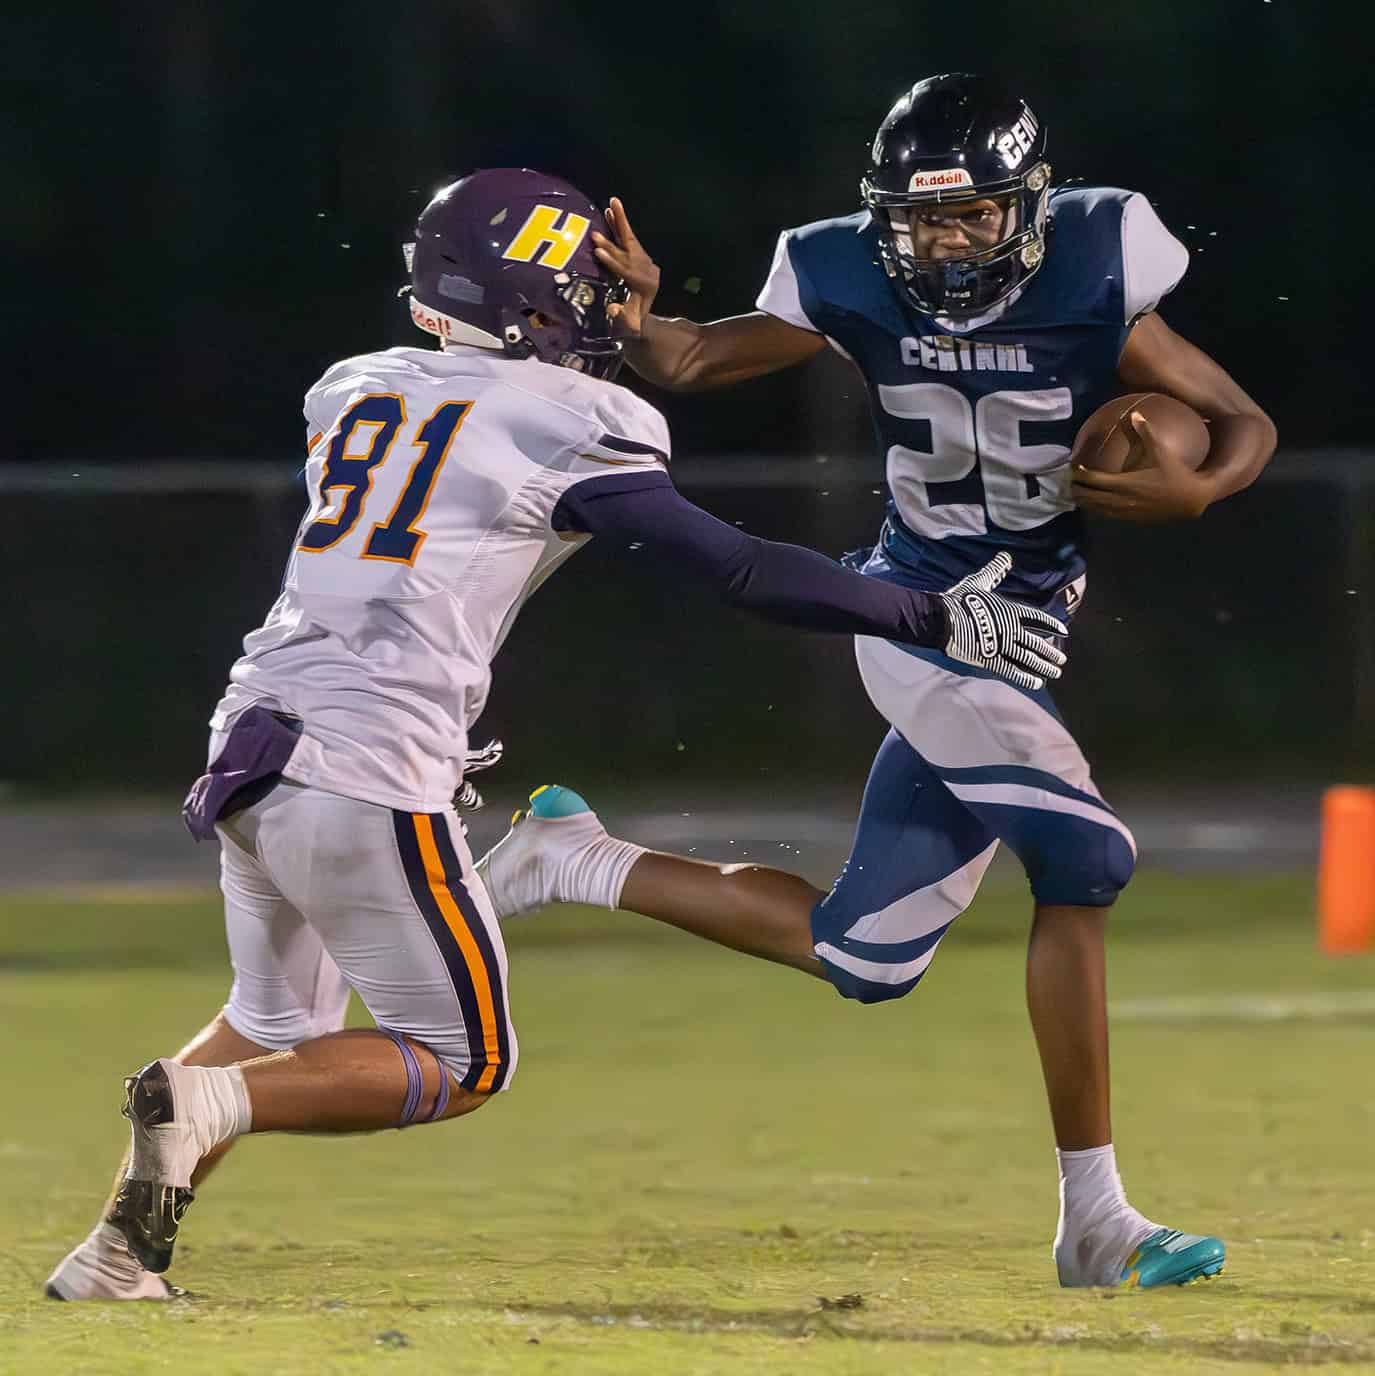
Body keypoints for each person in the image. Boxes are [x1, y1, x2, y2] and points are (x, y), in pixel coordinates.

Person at [44, 166, 1066, 1301]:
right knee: (463, 1058)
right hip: (369, 763)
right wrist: (933, 611)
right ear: (530, 301)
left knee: (272, 1018)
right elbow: (732, 566)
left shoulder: (353, 385)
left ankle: (112, 1255)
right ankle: (206, 1105)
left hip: (252, 738)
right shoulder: (576, 418)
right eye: (579, 285)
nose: (598, 307)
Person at [476, 74, 1277, 1289]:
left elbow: (1239, 417)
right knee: (1087, 858)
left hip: (1019, 628)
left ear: (1033, 206)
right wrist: (639, 318)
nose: (945, 242)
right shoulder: (843, 269)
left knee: (864, 956)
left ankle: (575, 857)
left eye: (970, 217)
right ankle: (1097, 1221)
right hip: (920, 619)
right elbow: (692, 359)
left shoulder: (1098, 261)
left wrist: (1203, 483)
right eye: (921, 219)